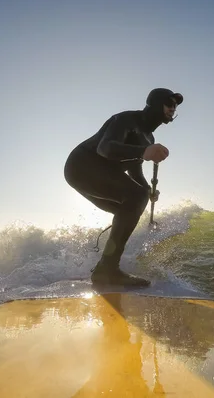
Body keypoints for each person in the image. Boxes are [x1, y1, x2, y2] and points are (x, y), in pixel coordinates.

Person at [64, 87, 183, 286]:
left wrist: (148, 190)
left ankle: (105, 266)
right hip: (81, 165)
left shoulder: (149, 138)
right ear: (156, 103)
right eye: (169, 103)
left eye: (176, 106)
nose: (173, 108)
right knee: (136, 197)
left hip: (99, 172)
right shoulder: (126, 120)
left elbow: (135, 172)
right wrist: (144, 151)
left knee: (135, 200)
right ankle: (107, 270)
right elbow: (105, 148)